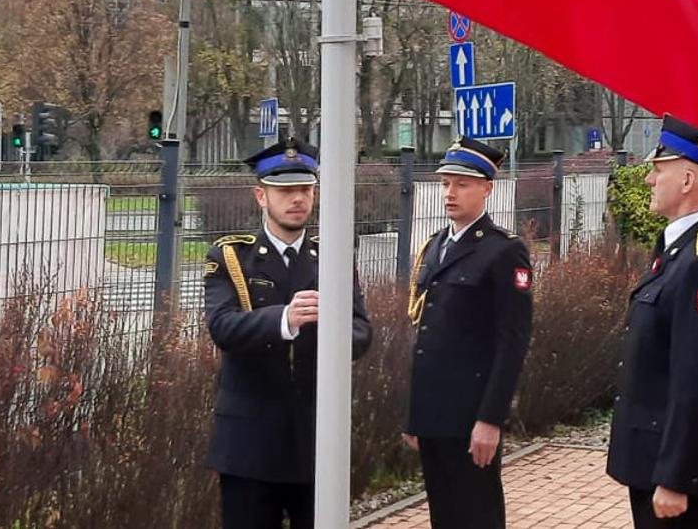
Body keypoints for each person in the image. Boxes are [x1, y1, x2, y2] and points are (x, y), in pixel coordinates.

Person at [203, 138, 372, 529]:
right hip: (249, 444)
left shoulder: (332, 255)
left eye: (305, 190)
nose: (298, 199)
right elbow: (222, 327)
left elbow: (362, 332)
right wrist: (286, 320)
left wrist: (332, 331)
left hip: (316, 440)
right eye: (286, 191)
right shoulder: (231, 257)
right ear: (261, 196)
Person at [607, 115, 698, 529]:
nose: (650, 179)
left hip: (685, 479)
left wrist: (675, 478)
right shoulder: (678, 250)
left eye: (657, 169)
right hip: (657, 460)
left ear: (687, 179)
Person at [402, 137, 533, 529]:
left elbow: (513, 340)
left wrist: (491, 419)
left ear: (487, 188)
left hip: (471, 417)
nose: (450, 192)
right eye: (445, 183)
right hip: (433, 417)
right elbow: (425, 340)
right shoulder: (435, 246)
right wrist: (415, 416)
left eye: (462, 184)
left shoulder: (503, 251)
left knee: (478, 516)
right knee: (444, 517)